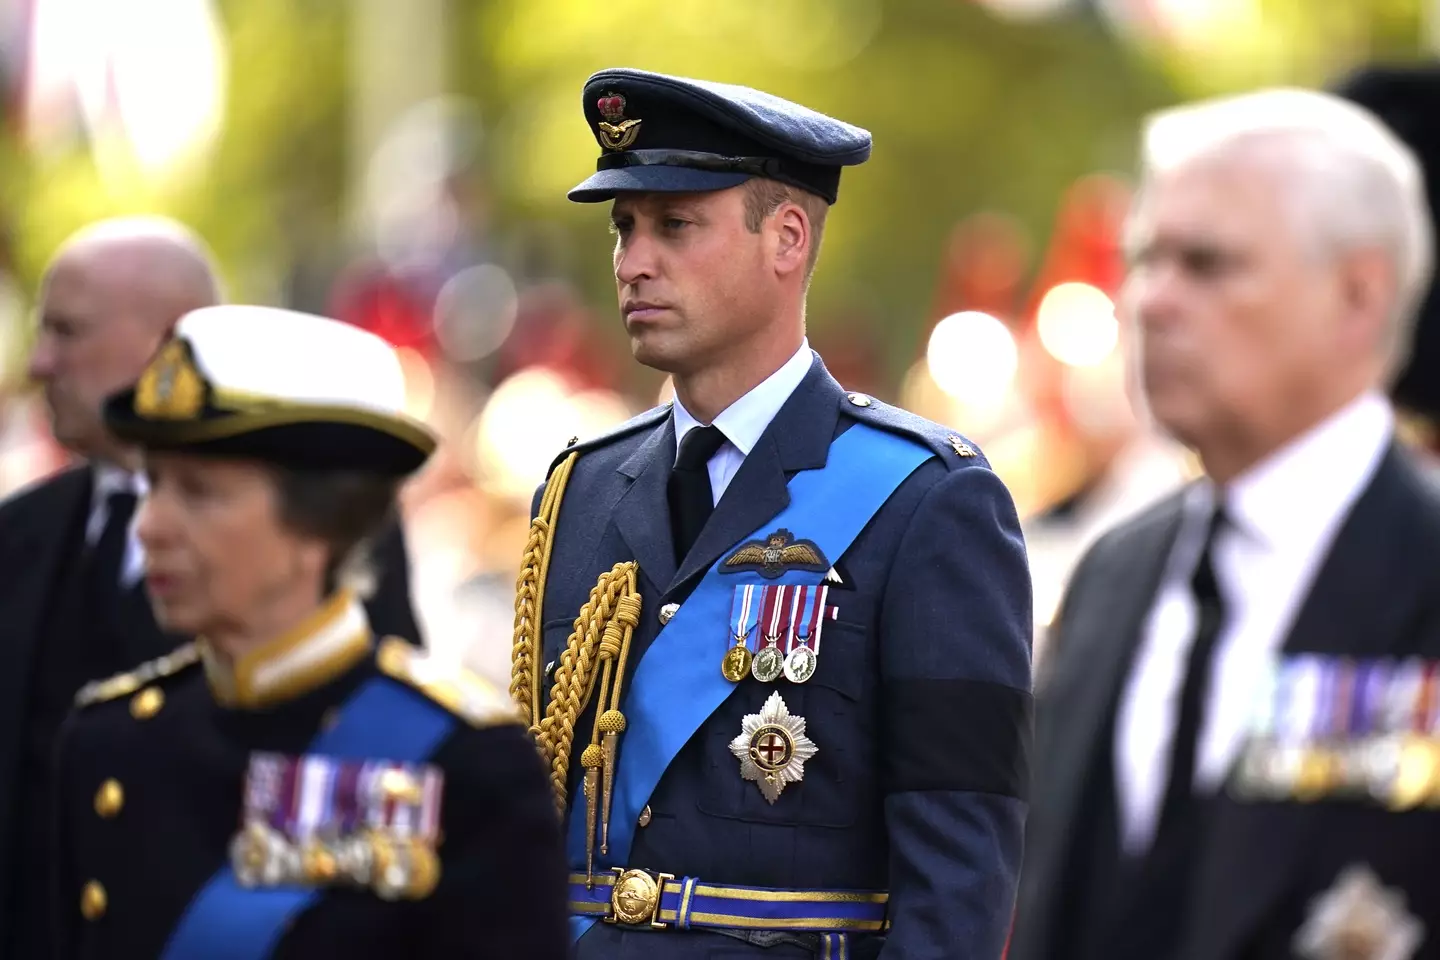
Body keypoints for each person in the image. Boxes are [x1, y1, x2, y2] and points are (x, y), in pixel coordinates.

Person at [509, 68, 1032, 959]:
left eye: (675, 225)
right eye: (624, 229)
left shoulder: (927, 500)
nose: (634, 262)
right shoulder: (578, 491)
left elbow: (959, 879)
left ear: (787, 238)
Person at [1011, 88, 1440, 960]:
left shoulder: (1423, 564)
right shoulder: (1115, 575)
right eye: (1145, 260)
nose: (1150, 303)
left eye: (1207, 265)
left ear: (1359, 295)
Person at [51, 305, 569, 958]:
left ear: (317, 526)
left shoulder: (464, 761)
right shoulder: (109, 741)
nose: (150, 526)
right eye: (154, 485)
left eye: (199, 492)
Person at [0, 218, 425, 959]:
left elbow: (368, 746)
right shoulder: (21, 532)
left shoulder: (322, 531)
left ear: (166, 337)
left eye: (67, 332)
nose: (39, 362)